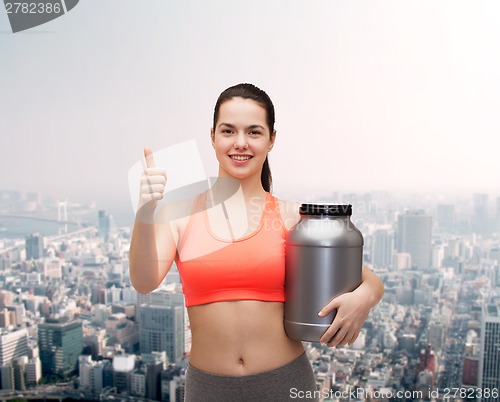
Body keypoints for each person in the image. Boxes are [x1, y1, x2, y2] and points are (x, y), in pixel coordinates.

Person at [129, 83, 384, 401]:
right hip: (208, 390)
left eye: (253, 132)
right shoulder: (177, 215)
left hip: (285, 383)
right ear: (212, 137)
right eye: (228, 131)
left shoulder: (292, 216)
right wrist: (145, 211)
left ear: (271, 139)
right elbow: (143, 281)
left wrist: (365, 298)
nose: (240, 143)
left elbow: (365, 276)